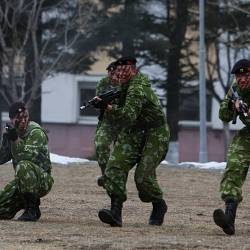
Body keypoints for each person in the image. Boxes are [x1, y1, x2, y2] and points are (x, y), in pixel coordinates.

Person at [98, 56, 170, 227]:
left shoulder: (137, 88)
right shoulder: (123, 86)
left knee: (143, 178)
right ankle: (115, 213)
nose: (121, 74)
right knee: (114, 167)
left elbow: (128, 115)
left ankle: (159, 204)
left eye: (125, 70)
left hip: (155, 133)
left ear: (134, 70)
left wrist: (108, 108)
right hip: (133, 132)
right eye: (118, 71)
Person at [213, 58, 250, 235]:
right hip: (248, 134)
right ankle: (228, 219)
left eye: (246, 75)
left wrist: (246, 111)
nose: (242, 79)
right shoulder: (235, 89)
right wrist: (231, 105)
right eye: (238, 76)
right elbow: (224, 116)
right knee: (233, 168)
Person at [0, 102, 54, 221]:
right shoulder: (14, 132)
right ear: (11, 119)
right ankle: (22, 202)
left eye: (26, 117)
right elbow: (2, 159)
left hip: (42, 180)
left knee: (23, 165)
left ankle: (32, 209)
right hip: (23, 181)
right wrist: (6, 142)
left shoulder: (36, 132)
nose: (23, 121)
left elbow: (27, 157)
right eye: (19, 118)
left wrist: (15, 140)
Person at [94, 61, 125, 186]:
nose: (111, 77)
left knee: (121, 154)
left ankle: (117, 179)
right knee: (100, 145)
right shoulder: (103, 82)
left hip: (124, 122)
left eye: (114, 73)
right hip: (107, 121)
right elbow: (99, 100)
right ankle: (106, 174)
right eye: (109, 73)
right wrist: (99, 103)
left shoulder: (127, 84)